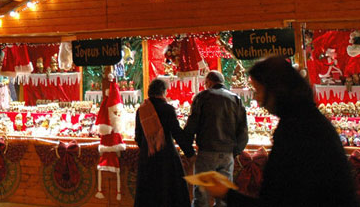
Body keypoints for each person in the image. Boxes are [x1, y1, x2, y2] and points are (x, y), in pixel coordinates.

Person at [204, 56, 359, 207]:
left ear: (276, 91)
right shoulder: (305, 119)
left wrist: (226, 193)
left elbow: (278, 200)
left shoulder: (297, 129)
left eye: (258, 91)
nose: (257, 99)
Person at [184, 70, 248, 207]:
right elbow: (243, 130)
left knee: (201, 197)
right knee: (223, 198)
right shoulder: (235, 99)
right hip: (227, 155)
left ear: (209, 82)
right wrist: (235, 151)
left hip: (206, 152)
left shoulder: (202, 97)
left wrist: (188, 151)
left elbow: (191, 125)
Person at [134, 78, 195, 207]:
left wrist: (148, 146)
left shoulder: (142, 110)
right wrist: (190, 153)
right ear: (163, 92)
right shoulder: (167, 109)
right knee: (169, 192)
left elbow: (138, 137)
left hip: (147, 157)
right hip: (166, 157)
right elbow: (177, 133)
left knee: (149, 194)